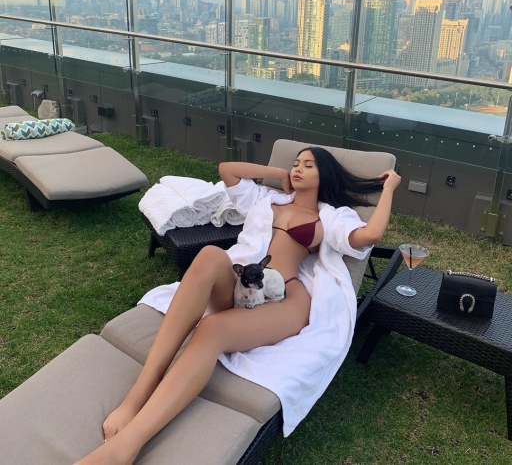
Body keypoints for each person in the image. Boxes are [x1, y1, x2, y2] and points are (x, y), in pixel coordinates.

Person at [74, 147, 401, 465]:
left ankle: (126, 447)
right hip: (242, 285)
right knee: (208, 255)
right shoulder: (267, 199)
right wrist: (278, 173)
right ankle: (137, 395)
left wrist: (389, 188)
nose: (298, 169)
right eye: (296, 163)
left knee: (211, 328)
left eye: (308, 165)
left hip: (285, 298)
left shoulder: (332, 217)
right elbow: (227, 170)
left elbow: (370, 234)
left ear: (325, 174)